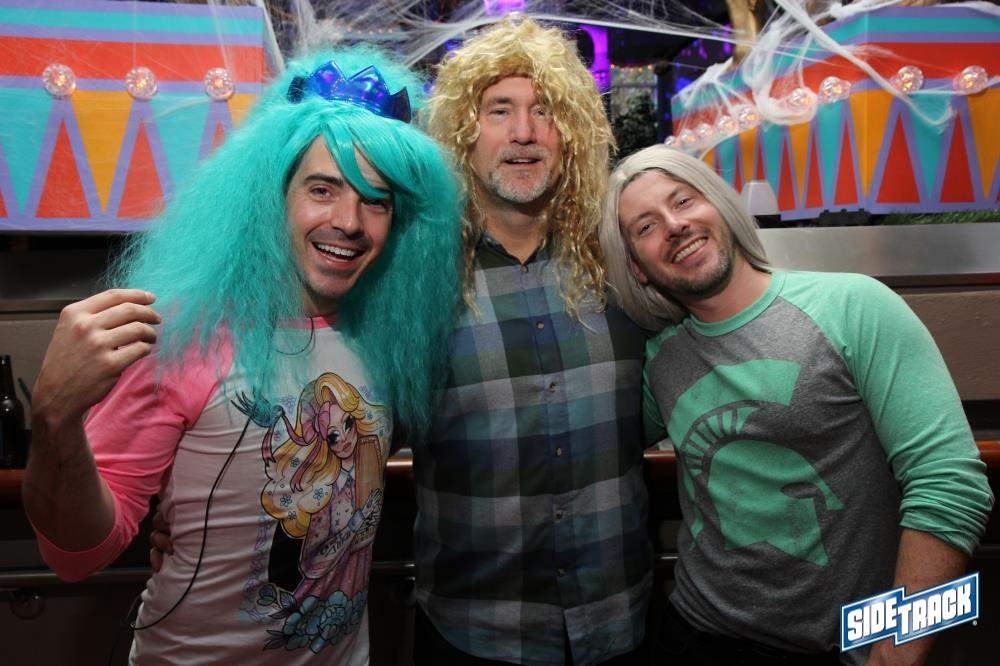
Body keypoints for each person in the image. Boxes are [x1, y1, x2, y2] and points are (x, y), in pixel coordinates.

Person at [22, 48, 462, 664]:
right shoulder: (185, 334)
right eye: (323, 189)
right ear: (270, 195)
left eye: (377, 200)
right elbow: (75, 554)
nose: (349, 221)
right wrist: (55, 419)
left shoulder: (385, 335)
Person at [598, 144, 994, 665]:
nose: (674, 226)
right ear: (638, 269)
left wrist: (898, 650)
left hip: (847, 647)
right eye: (646, 227)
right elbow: (599, 439)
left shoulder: (854, 306)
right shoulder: (661, 358)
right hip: (695, 634)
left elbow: (952, 482)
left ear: (721, 207)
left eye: (684, 201)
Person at [417, 16, 652, 665]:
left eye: (544, 110)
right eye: (499, 110)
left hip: (618, 623)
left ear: (571, 134)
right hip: (474, 631)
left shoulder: (623, 260)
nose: (523, 131)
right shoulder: (416, 277)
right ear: (463, 134)